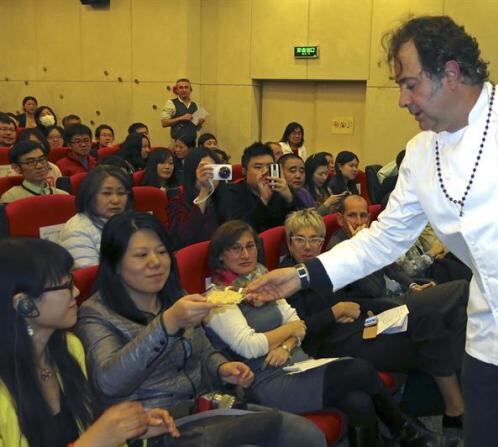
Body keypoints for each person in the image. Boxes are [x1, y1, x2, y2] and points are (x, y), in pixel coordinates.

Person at [247, 15, 498, 447]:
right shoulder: (420, 153)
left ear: (450, 72)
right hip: (494, 326)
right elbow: (385, 237)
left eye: (409, 84)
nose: (402, 100)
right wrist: (299, 275)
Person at [75, 211, 326, 447]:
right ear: (115, 263)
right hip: (155, 427)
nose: (156, 262)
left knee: (308, 435)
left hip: (204, 407)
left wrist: (221, 367)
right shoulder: (96, 313)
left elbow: (203, 350)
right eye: (141, 255)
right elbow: (109, 382)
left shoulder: (174, 296)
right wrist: (166, 325)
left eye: (162, 252)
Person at [205, 220, 444, 447]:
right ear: (221, 256)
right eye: (235, 249)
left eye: (249, 246)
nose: (245, 254)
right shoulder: (217, 300)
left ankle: (405, 434)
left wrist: (287, 345)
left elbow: (298, 323)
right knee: (358, 369)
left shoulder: (261, 279)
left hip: (298, 362)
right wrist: (291, 331)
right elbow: (251, 346)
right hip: (264, 381)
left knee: (359, 403)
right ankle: (406, 431)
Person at [280, 209, 467, 433]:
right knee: (430, 329)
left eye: (314, 239)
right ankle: (453, 409)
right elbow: (296, 331)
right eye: (300, 239)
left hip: (362, 326)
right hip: (330, 346)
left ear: (322, 243)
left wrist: (370, 310)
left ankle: (449, 408)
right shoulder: (284, 279)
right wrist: (335, 313)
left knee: (432, 318)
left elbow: (357, 297)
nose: (308, 246)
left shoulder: (326, 268)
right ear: (290, 244)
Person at [0, 237, 179, 447]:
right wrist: (95, 440)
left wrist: (127, 431)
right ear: (24, 304)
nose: (76, 292)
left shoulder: (69, 347)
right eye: (66, 285)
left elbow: (85, 432)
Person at [59, 166, 133, 268]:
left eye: (121, 193)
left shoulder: (130, 221)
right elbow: (90, 279)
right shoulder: (77, 231)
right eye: (107, 193)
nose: (116, 200)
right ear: (89, 195)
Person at [216, 142, 297, 233]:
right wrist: (263, 201)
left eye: (269, 166)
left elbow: (297, 229)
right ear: (244, 171)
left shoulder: (281, 190)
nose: (265, 171)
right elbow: (238, 233)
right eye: (258, 167)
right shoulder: (230, 192)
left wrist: (289, 199)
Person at [167, 148, 224, 249]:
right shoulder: (177, 202)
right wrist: (204, 190)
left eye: (213, 170)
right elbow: (186, 236)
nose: (209, 175)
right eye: (204, 170)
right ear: (192, 172)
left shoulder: (223, 197)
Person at [1, 140, 68, 203]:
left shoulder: (63, 195)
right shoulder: (11, 198)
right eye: (31, 162)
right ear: (16, 168)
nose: (39, 166)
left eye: (42, 159)